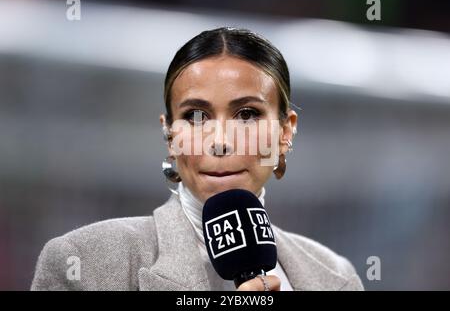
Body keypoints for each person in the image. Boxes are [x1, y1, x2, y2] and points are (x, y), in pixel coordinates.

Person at [31, 27, 363, 291]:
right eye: (195, 116)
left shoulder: (335, 278)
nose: (219, 142)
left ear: (285, 133)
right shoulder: (83, 263)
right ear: (170, 135)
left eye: (247, 114)